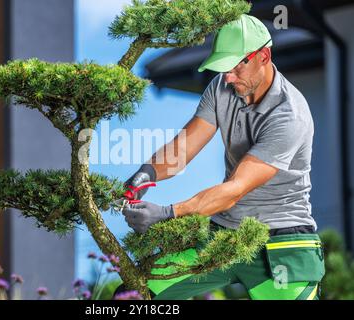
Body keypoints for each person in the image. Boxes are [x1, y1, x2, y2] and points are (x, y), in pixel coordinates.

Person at [119, 14, 325, 300]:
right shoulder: (221, 88)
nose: (227, 76)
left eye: (234, 68)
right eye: (223, 67)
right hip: (223, 233)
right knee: (134, 295)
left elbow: (234, 190)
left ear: (263, 56)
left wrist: (167, 214)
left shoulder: (289, 116)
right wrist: (147, 173)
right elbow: (183, 149)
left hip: (280, 242)